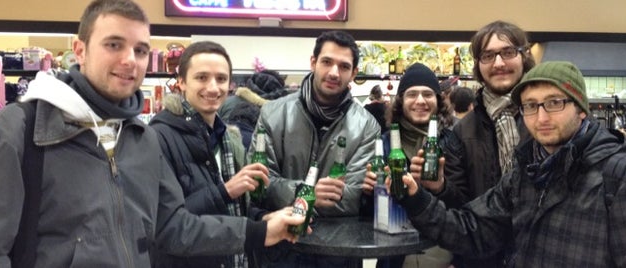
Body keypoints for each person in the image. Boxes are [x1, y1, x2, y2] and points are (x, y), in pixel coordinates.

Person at [0, 1, 304, 267]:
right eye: (114, 44)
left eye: (142, 50)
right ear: (80, 49)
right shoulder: (13, 136)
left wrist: (260, 231)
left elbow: (173, 228)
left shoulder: (140, 138)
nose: (130, 60)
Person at [398, 61, 626, 267]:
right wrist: (416, 197)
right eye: (530, 105)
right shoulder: (526, 173)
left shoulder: (625, 181)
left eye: (554, 103)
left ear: (581, 109)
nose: (541, 117)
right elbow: (473, 230)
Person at [252, 30, 380, 267]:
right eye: (327, 62)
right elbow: (259, 186)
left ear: (353, 73)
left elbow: (351, 197)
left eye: (343, 66)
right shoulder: (273, 114)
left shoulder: (366, 126)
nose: (334, 72)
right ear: (313, 62)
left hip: (340, 254)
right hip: (281, 249)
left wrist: (293, 198)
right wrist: (306, 193)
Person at [149, 41, 281, 267]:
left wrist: (263, 219)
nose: (213, 88)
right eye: (201, 78)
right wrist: (225, 191)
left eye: (221, 79)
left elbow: (236, 211)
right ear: (181, 82)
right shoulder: (157, 137)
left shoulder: (230, 138)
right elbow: (165, 224)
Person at [443, 20, 535, 266]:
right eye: (488, 55)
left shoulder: (546, 118)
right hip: (482, 257)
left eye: (507, 52)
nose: (498, 63)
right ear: (478, 65)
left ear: (524, 56)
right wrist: (439, 186)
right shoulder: (462, 131)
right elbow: (459, 206)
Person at [361, 63, 466, 268]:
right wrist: (367, 193)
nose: (420, 101)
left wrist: (441, 187)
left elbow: (467, 205)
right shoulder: (384, 145)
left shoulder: (454, 142)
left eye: (427, 94)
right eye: (412, 94)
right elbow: (366, 219)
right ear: (401, 101)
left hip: (444, 259)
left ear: (438, 100)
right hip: (395, 259)